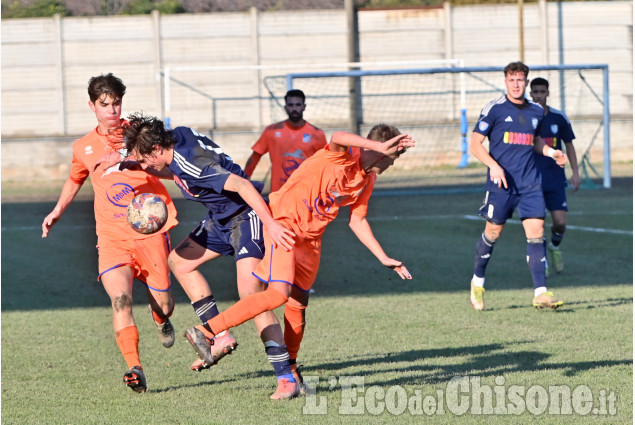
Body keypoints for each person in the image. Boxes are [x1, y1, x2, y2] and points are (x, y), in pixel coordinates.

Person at [182, 124, 415, 398]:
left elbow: (358, 220)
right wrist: (378, 146)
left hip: (311, 241)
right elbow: (337, 136)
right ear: (377, 149)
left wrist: (384, 257)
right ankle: (206, 330)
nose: (392, 161)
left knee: (297, 307)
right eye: (393, 156)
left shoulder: (367, 180)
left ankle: (290, 374)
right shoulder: (341, 156)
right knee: (277, 294)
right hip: (285, 226)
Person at [119, 113, 300, 400]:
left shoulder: (192, 163)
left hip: (245, 216)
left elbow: (241, 185)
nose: (143, 167)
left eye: (144, 160)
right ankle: (219, 336)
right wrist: (139, 161)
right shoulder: (175, 138)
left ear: (156, 149)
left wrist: (271, 223)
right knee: (180, 261)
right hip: (220, 219)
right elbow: (176, 171)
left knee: (251, 295)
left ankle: (286, 377)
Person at [41, 74, 179, 394]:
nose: (112, 110)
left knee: (165, 303)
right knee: (120, 300)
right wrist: (57, 211)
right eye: (105, 105)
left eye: (116, 103)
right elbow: (76, 178)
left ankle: (161, 318)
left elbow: (169, 167)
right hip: (112, 238)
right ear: (92, 106)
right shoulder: (83, 146)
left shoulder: (139, 134)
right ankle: (135, 368)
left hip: (149, 233)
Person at [468, 61, 568, 312]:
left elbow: (533, 140)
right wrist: (493, 165)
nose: (516, 84)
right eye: (512, 79)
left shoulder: (536, 110)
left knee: (536, 232)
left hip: (530, 183)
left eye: (520, 80)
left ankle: (540, 293)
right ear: (505, 82)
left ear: (526, 82)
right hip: (501, 184)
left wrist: (550, 151)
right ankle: (477, 282)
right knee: (493, 233)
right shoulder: (494, 109)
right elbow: (476, 144)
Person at [529, 77, 580, 273]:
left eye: (542, 92)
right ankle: (543, 262)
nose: (539, 96)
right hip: (532, 180)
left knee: (560, 223)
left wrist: (575, 172)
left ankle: (555, 247)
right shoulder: (525, 119)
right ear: (530, 93)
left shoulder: (559, 118)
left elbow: (569, 145)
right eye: (535, 92)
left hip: (556, 179)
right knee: (538, 224)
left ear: (548, 93)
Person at [244, 89, 328, 192]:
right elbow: (255, 156)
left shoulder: (317, 134)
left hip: (306, 192)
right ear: (285, 107)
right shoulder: (272, 131)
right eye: (291, 105)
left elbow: (325, 164)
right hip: (279, 193)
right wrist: (245, 178)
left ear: (304, 107)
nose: (294, 108)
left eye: (298, 105)